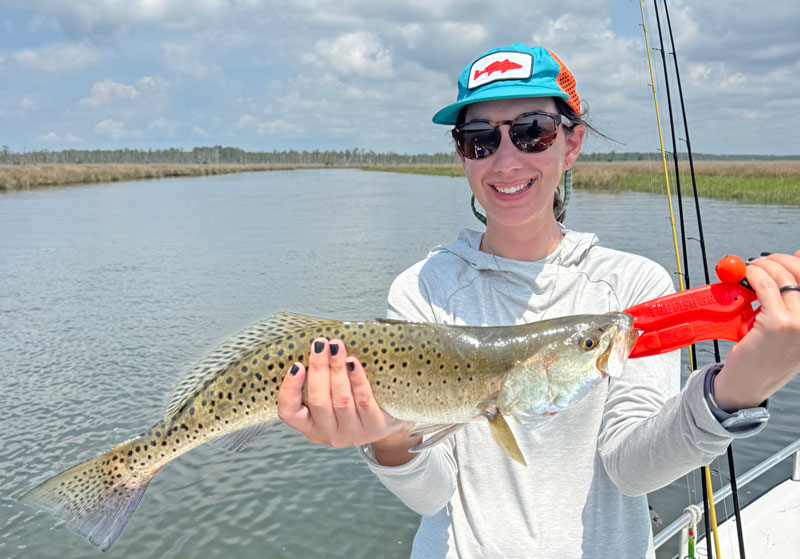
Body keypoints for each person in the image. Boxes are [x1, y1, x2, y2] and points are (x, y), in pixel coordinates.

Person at [277, 43, 800, 558]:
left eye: (533, 132)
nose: (506, 161)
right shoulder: (423, 289)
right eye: (479, 139)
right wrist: (387, 438)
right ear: (462, 154)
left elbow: (632, 468)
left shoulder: (632, 285)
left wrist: (736, 391)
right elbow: (433, 493)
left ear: (570, 145)